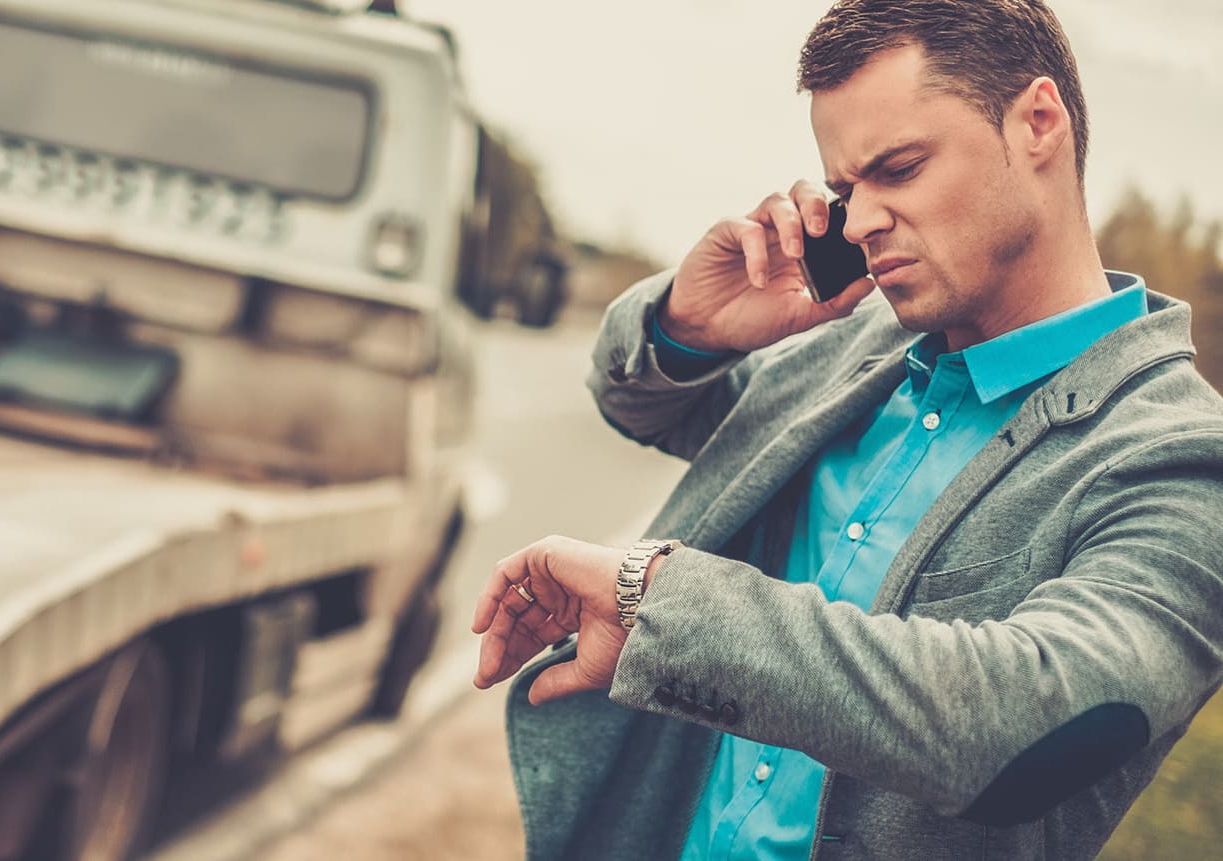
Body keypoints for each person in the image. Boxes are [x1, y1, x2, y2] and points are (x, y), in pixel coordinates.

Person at [467, 1, 1223, 858]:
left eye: (897, 168)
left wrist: (659, 599)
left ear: (1038, 123)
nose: (859, 222)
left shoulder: (1184, 459)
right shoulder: (859, 340)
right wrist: (693, 324)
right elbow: (641, 399)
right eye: (843, 190)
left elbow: (1028, 726)